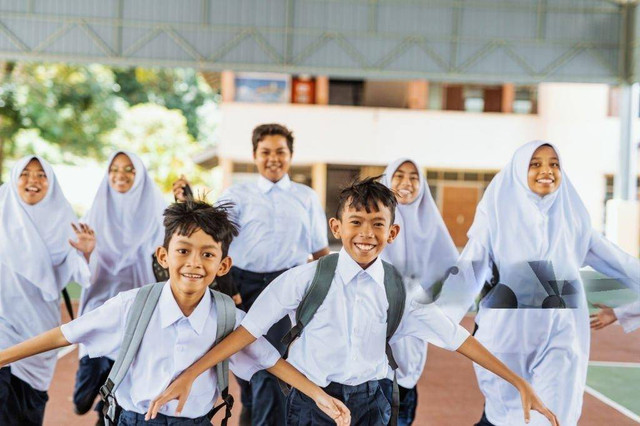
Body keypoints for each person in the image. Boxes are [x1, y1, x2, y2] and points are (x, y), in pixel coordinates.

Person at [147, 177, 558, 426]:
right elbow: (246, 334)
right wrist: (189, 374)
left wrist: (518, 381)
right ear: (336, 227)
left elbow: (458, 338)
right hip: (312, 400)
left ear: (392, 233)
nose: (366, 233)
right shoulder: (304, 279)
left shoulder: (400, 290)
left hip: (374, 401)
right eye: (356, 222)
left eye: (378, 224)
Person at [0, 200, 351, 426]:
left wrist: (320, 395)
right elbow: (67, 333)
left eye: (208, 255)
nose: (194, 263)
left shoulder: (230, 318)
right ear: (163, 256)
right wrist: (4, 357)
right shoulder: (132, 305)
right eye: (183, 250)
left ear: (224, 264)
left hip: (196, 421)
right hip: (133, 420)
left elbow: (271, 360)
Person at [436, 141, 640, 425]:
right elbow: (471, 267)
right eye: (536, 164)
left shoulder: (574, 221)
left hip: (562, 337)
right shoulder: (497, 216)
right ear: (520, 171)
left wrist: (626, 310)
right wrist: (440, 318)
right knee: (506, 415)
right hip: (507, 338)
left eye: (554, 164)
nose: (547, 170)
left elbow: (623, 264)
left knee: (552, 417)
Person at [173, 123, 329, 425]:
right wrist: (189, 202)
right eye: (266, 152)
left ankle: (259, 415)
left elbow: (320, 251)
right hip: (240, 285)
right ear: (255, 155)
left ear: (290, 155)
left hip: (287, 287)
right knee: (243, 361)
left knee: (272, 364)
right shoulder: (238, 193)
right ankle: (250, 407)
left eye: (280, 152)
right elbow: (212, 234)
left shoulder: (306, 197)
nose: (273, 158)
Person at [0, 156, 95, 425]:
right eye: (25, 173)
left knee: (27, 408)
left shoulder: (63, 219)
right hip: (2, 322)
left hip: (38, 325)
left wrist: (86, 253)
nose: (33, 180)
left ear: (50, 182)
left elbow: (77, 272)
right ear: (15, 177)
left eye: (41, 175)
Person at [73, 151, 166, 422]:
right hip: (98, 316)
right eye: (114, 169)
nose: (121, 175)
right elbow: (82, 272)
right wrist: (87, 253)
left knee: (118, 402)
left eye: (129, 169)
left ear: (140, 176)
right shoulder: (95, 212)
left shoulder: (155, 215)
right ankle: (102, 401)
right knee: (80, 401)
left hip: (136, 315)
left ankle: (108, 410)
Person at [379, 158, 459, 425]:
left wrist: (432, 303)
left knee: (404, 393)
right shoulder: (375, 215)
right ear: (387, 180)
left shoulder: (430, 222)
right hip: (375, 314)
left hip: (411, 322)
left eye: (414, 177)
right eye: (399, 175)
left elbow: (451, 271)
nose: (406, 183)